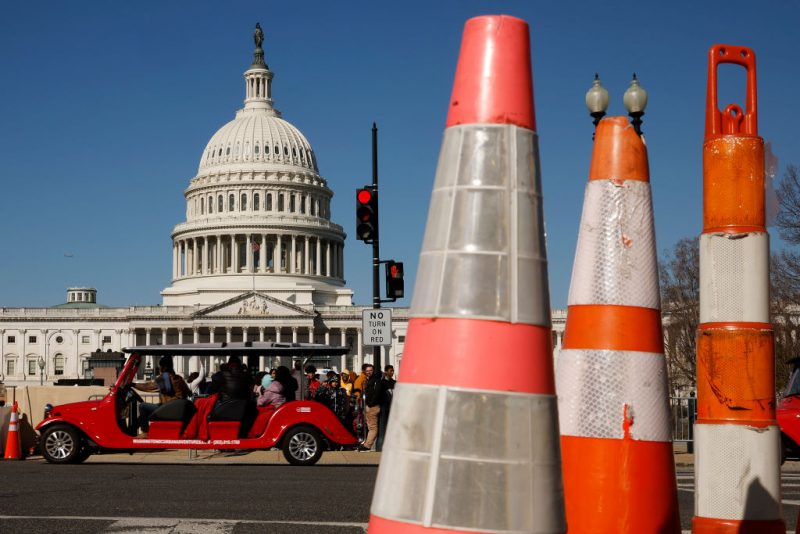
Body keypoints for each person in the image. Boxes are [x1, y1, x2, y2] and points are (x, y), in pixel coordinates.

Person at [133, 356, 190, 437]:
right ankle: (133, 429)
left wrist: (133, 385)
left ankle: (145, 432)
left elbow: (149, 386)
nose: (160, 369)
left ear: (164, 367)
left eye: (161, 367)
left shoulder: (165, 378)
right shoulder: (179, 378)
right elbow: (188, 392)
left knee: (142, 406)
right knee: (145, 413)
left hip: (168, 409)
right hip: (177, 409)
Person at [359, 364, 384, 451]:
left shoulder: (376, 380)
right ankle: (367, 443)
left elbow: (377, 394)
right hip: (369, 406)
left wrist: (369, 404)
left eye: (370, 370)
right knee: (370, 426)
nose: (369, 372)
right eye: (367, 371)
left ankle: (367, 445)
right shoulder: (368, 380)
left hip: (372, 407)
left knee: (372, 427)